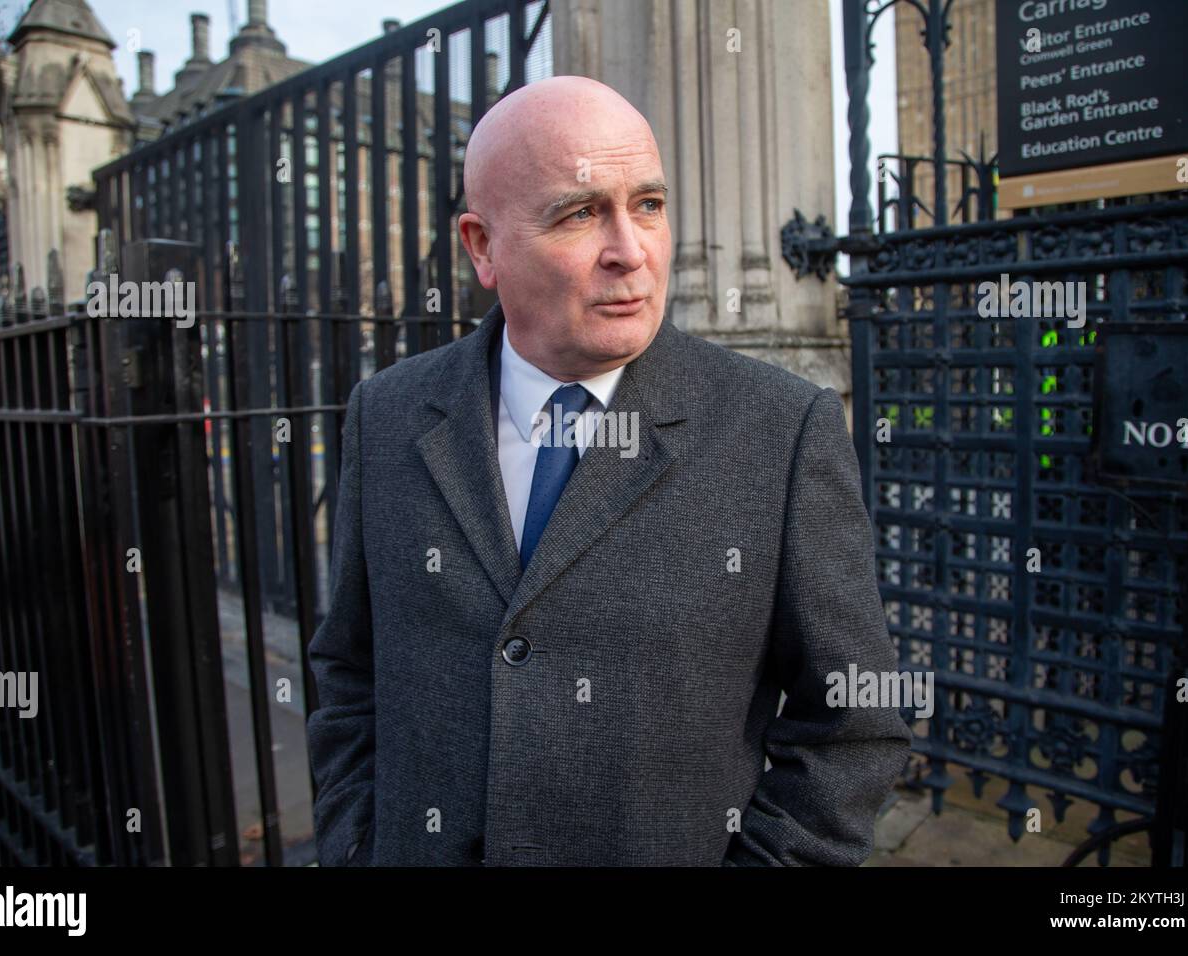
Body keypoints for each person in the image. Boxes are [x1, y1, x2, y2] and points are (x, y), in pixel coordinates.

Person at [306, 75, 911, 866]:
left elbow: (854, 723)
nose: (631, 251)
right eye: (582, 212)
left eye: (650, 205)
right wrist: (355, 848)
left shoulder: (778, 429)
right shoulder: (387, 413)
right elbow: (350, 672)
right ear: (483, 246)